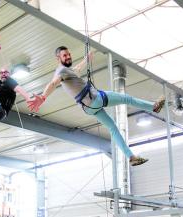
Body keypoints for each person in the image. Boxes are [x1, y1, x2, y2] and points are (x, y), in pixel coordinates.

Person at [28, 46, 166, 166]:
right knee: (126, 98)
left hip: (89, 108)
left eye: (69, 54)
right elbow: (53, 83)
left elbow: (77, 69)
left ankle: (131, 157)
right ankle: (153, 107)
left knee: (113, 128)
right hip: (95, 99)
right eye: (65, 55)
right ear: (58, 58)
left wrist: (87, 59)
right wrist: (43, 96)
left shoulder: (67, 71)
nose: (69, 56)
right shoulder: (61, 71)